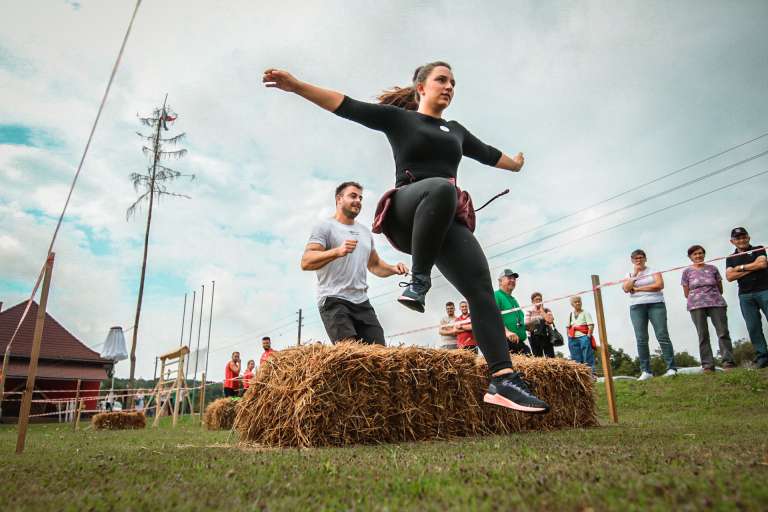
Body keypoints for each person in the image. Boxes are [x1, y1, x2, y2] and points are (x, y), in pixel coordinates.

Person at [264, 61, 549, 412]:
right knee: (442, 189)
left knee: (480, 289)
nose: (449, 87)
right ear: (421, 88)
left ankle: (503, 379)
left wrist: (516, 164)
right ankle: (419, 280)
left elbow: (490, 154)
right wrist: (297, 86)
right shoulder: (401, 120)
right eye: (441, 80)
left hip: (442, 220)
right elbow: (345, 104)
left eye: (453, 82)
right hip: (406, 211)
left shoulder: (455, 130)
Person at [302, 182, 408, 345]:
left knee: (379, 356)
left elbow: (374, 265)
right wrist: (337, 251)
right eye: (353, 196)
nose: (358, 200)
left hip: (361, 302)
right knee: (351, 358)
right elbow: (306, 261)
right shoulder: (325, 227)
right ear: (339, 199)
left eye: (360, 198)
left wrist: (394, 268)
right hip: (334, 299)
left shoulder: (365, 233)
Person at [622, 249, 677, 380]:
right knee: (641, 339)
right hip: (636, 307)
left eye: (641, 258)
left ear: (645, 259)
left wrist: (638, 289)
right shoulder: (629, 274)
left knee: (662, 335)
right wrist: (635, 275)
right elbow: (626, 288)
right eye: (636, 259)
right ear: (632, 261)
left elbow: (659, 285)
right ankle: (646, 371)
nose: (639, 260)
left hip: (656, 304)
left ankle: (671, 368)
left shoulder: (654, 271)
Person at [681, 245, 735, 372]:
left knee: (723, 332)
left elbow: (720, 288)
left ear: (704, 254)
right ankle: (707, 365)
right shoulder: (686, 272)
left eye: (700, 253)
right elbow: (686, 292)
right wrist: (698, 297)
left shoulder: (713, 269)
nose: (698, 256)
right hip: (696, 305)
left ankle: (728, 362)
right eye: (695, 254)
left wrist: (711, 296)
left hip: (716, 302)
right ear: (690, 257)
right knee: (703, 335)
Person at [725, 227, 768, 368]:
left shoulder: (758, 249)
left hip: (764, 290)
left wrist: (740, 268)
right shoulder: (731, 258)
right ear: (732, 241)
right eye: (738, 238)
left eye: (743, 237)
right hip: (745, 296)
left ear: (748, 237)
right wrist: (752, 267)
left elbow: (762, 264)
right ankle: (763, 356)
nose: (741, 240)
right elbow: (730, 276)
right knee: (753, 326)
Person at [494, 269, 533, 356]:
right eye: (509, 278)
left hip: (518, 343)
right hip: (504, 342)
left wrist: (530, 325)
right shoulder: (496, 295)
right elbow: (494, 317)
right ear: (500, 281)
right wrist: (506, 332)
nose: (512, 280)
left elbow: (520, 321)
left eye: (514, 279)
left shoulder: (514, 300)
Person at [565, 296, 595, 373]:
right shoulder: (570, 314)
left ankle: (591, 374)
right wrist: (568, 336)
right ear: (572, 304)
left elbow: (591, 325)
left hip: (584, 337)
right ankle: (579, 375)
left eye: (579, 301)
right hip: (573, 338)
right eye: (575, 302)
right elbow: (568, 327)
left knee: (587, 357)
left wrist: (588, 336)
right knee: (576, 359)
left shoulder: (585, 313)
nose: (578, 303)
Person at [526, 292, 556, 358]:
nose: (539, 301)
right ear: (532, 302)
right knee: (538, 357)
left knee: (550, 357)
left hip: (546, 336)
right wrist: (538, 321)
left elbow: (550, 320)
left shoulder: (547, 310)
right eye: (536, 300)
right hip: (533, 336)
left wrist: (542, 311)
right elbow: (527, 325)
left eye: (540, 299)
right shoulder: (529, 311)